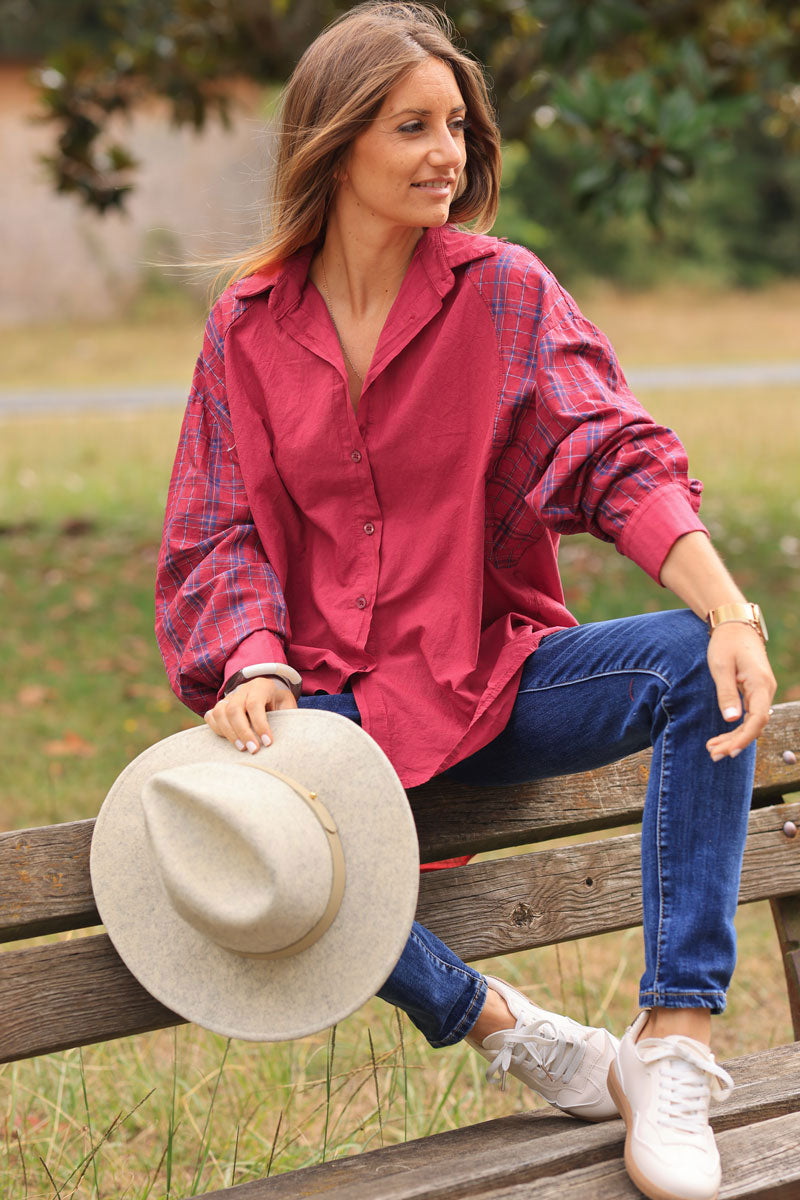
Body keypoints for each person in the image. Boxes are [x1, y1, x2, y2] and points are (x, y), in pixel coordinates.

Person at [155, 5, 776, 1198]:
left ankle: (676, 1046)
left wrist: (728, 611)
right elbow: (212, 525)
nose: (448, 152)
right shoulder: (245, 325)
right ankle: (504, 1028)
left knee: (693, 661)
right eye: (411, 127)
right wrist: (251, 658)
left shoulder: (501, 291)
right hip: (322, 718)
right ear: (335, 145)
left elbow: (609, 454)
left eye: (456, 125)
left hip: (484, 683)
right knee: (242, 821)